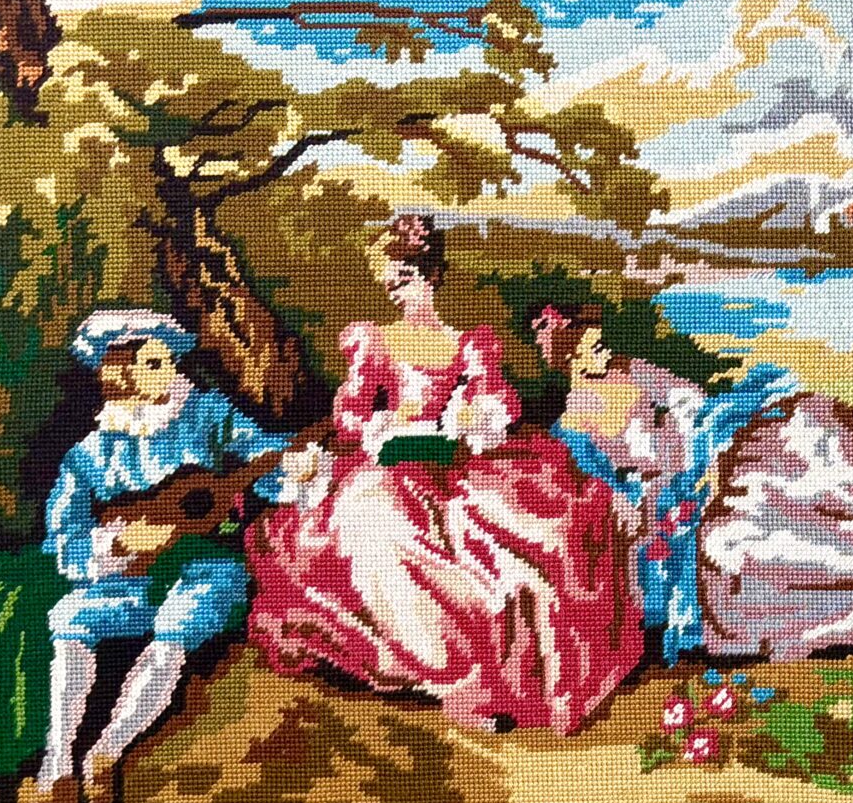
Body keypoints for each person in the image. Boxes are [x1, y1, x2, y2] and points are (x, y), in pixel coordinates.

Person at [244, 216, 641, 735]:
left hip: (460, 468)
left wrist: (471, 418)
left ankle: (510, 680)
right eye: (389, 282)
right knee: (375, 528)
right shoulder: (374, 342)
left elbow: (496, 405)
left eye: (405, 279)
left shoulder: (469, 345)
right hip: (389, 469)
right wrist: (388, 425)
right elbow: (352, 417)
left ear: (431, 276)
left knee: (536, 539)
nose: (397, 292)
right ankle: (453, 679)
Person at [533, 303, 853, 662]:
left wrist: (700, 452)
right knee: (743, 537)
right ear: (570, 358)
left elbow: (689, 401)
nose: (603, 348)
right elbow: (613, 495)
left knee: (807, 435)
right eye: (591, 345)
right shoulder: (570, 428)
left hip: (712, 449)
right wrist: (669, 490)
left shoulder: (630, 371)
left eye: (600, 339)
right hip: (672, 504)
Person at [3, 308, 311, 803]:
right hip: (129, 578)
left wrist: (291, 469)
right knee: (71, 617)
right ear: (119, 373)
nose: (169, 370)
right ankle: (56, 768)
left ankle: (106, 751)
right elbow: (65, 540)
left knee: (174, 628)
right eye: (152, 363)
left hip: (204, 567)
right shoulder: (91, 453)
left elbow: (258, 458)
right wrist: (119, 543)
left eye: (167, 360)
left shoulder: (208, 414)